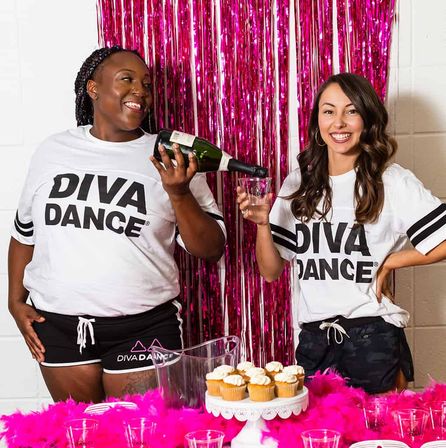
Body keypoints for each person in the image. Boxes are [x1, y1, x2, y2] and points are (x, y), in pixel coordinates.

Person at [8, 45, 226, 403]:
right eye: (127, 79)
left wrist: (179, 193)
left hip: (143, 328)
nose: (140, 91)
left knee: (144, 438)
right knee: (80, 436)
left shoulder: (171, 156)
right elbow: (24, 234)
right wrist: (15, 302)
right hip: (59, 327)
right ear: (93, 89)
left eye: (147, 84)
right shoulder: (52, 151)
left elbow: (211, 248)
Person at [237, 73, 446, 394]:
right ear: (317, 120)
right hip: (313, 342)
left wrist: (391, 262)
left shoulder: (391, 180)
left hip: (372, 338)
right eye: (328, 111)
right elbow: (270, 271)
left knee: (380, 440)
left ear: (368, 119)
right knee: (317, 441)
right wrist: (263, 225)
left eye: (351, 111)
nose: (339, 122)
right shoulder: (299, 182)